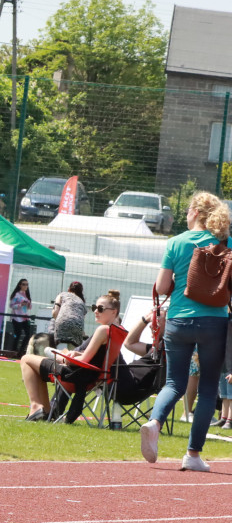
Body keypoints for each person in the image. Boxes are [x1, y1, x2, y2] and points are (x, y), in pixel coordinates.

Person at [140, 192, 230, 472]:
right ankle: (192, 454)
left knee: (174, 383)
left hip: (179, 320)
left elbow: (163, 286)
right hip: (214, 321)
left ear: (193, 212)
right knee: (206, 389)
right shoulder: (226, 243)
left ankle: (154, 422)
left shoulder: (175, 243)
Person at [19, 292, 120, 423]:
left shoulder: (103, 330)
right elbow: (96, 356)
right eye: (95, 307)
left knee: (26, 359)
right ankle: (45, 410)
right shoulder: (116, 331)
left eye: (100, 309)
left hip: (75, 375)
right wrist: (76, 354)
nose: (96, 311)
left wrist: (64, 358)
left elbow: (83, 361)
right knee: (36, 367)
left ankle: (37, 406)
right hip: (90, 376)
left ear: (114, 312)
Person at [50, 281, 86, 349]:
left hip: (63, 323)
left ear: (69, 289)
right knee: (73, 351)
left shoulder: (62, 294)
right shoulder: (82, 302)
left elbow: (55, 312)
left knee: (60, 351)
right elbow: (82, 319)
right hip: (78, 328)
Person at [9, 278, 33, 353]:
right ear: (19, 285)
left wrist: (28, 304)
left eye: (27, 284)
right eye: (23, 284)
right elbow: (11, 305)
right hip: (16, 317)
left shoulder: (27, 295)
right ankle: (14, 350)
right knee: (17, 334)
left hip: (25, 318)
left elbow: (30, 307)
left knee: (28, 335)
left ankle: (21, 351)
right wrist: (20, 304)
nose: (25, 286)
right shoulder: (17, 294)